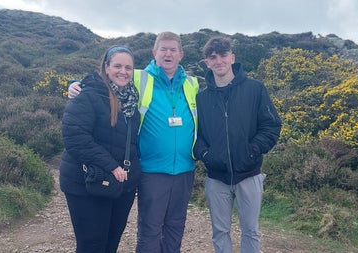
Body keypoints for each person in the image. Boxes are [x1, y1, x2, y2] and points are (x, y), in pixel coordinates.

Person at [68, 32, 199, 253]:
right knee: (149, 228)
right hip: (151, 168)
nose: (168, 54)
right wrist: (75, 84)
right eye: (163, 49)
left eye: (173, 50)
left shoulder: (193, 83)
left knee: (176, 226)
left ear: (181, 54)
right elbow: (103, 80)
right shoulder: (139, 77)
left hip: (185, 168)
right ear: (154, 52)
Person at [193, 36, 281, 253]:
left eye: (223, 55)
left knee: (250, 230)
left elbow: (271, 126)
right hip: (216, 177)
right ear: (207, 63)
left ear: (232, 57)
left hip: (249, 174)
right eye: (212, 57)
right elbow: (196, 134)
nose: (219, 61)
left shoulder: (255, 89)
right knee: (220, 231)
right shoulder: (201, 98)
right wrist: (206, 155)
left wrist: (254, 150)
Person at [59, 45, 141, 253]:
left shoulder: (131, 99)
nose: (123, 71)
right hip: (86, 181)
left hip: (120, 184)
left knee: (111, 243)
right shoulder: (87, 94)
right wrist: (112, 166)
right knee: (92, 245)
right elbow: (75, 138)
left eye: (128, 68)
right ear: (106, 66)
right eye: (117, 66)